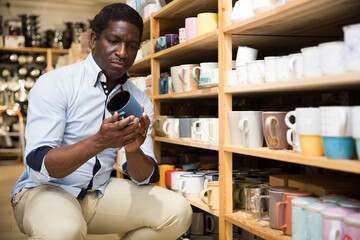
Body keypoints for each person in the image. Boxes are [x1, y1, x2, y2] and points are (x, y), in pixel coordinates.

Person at [10, 3, 192, 240]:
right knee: (64, 231)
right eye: (114, 41)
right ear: (94, 40)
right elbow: (39, 166)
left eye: (132, 46)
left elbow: (145, 178)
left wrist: (134, 149)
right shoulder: (56, 84)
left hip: (99, 192)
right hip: (47, 191)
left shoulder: (139, 101)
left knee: (178, 212)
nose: (123, 52)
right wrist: (98, 142)